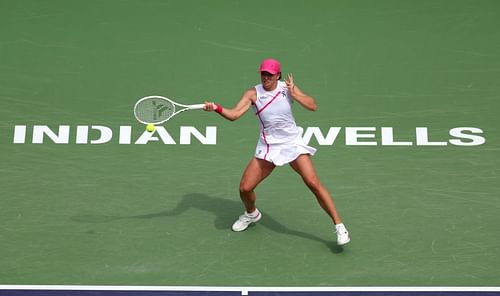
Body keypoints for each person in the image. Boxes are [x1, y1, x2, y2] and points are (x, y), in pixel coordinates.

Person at [204, 58, 350, 245]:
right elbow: (234, 115)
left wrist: (294, 93)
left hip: (292, 143)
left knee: (313, 183)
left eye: (269, 75)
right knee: (245, 188)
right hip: (268, 146)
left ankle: (339, 226)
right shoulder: (253, 93)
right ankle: (251, 214)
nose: (265, 77)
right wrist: (216, 108)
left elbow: (313, 105)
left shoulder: (287, 88)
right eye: (263, 73)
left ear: (277, 76)